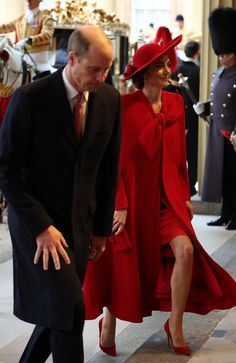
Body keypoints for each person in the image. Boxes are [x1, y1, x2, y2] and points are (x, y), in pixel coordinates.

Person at [83, 29, 236, 357]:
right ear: (144, 74)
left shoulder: (175, 103)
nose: (169, 70)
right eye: (161, 66)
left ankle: (175, 324)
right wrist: (119, 204)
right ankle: (109, 318)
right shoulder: (122, 106)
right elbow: (112, 163)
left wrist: (184, 194)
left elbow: (180, 154)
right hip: (132, 200)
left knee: (185, 251)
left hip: (167, 200)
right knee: (123, 264)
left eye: (168, 65)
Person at [0, 25, 121, 363]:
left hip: (80, 227)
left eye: (107, 68)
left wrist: (99, 229)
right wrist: (41, 227)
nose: (103, 76)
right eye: (95, 69)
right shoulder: (30, 99)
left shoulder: (110, 100)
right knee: (70, 308)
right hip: (36, 226)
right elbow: (7, 171)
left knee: (59, 313)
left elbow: (107, 169)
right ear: (71, 59)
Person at [193, 7, 236, 230]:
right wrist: (205, 107)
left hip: (233, 133)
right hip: (218, 131)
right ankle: (225, 213)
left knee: (235, 177)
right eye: (219, 53)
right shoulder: (218, 73)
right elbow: (217, 102)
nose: (221, 57)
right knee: (224, 178)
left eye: (225, 53)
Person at [173, 40, 200, 196]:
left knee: (178, 153)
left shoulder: (176, 69)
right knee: (192, 153)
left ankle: (177, 183)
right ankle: (191, 185)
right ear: (196, 52)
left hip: (178, 117)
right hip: (193, 118)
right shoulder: (198, 71)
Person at [0, 0, 54, 73]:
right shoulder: (20, 19)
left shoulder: (46, 19)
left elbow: (47, 35)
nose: (28, 1)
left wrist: (28, 40)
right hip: (21, 57)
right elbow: (5, 27)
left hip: (39, 60)